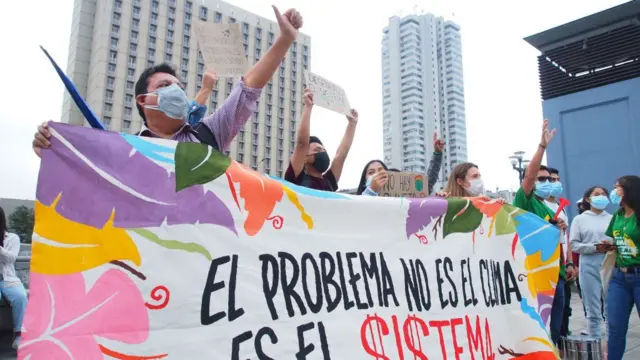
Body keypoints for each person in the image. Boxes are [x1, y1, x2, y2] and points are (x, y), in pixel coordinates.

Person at [32, 6, 304, 154]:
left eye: (179, 87)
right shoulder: (121, 149)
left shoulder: (210, 134)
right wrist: (49, 148)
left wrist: (285, 40)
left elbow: (246, 91)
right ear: (143, 100)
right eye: (164, 86)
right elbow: (81, 175)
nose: (176, 91)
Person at [512, 119, 576, 346]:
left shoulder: (547, 207)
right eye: (541, 179)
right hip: (535, 278)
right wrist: (542, 147)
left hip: (556, 275)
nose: (546, 182)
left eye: (549, 179)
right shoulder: (525, 200)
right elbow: (528, 177)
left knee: (555, 332)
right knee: (539, 332)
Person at [285, 89, 358, 191]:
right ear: (305, 158)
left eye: (323, 150)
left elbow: (341, 155)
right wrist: (308, 107)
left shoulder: (329, 181)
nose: (322, 153)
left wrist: (352, 124)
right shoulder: (296, 178)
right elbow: (302, 144)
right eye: (317, 150)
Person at [605, 175, 640, 360]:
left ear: (629, 190)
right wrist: (608, 245)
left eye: (617, 187)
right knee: (615, 328)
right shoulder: (618, 215)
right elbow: (614, 239)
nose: (614, 191)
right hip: (619, 278)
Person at [570, 186, 612, 339]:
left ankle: (610, 346)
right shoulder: (580, 219)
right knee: (592, 309)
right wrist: (595, 247)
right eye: (596, 194)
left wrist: (610, 246)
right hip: (588, 266)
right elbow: (574, 244)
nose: (600, 197)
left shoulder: (612, 218)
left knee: (610, 309)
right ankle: (595, 342)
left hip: (609, 265)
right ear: (588, 199)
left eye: (603, 194)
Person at [356, 133, 444, 196]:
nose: (377, 175)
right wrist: (371, 191)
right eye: (371, 172)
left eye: (380, 170)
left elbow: (426, 185)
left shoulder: (400, 196)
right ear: (364, 181)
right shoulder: (358, 202)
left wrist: (437, 154)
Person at [0, 207, 28, 350]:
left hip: (7, 278)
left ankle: (18, 335)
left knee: (20, 297)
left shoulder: (12, 238)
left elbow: (11, 258)